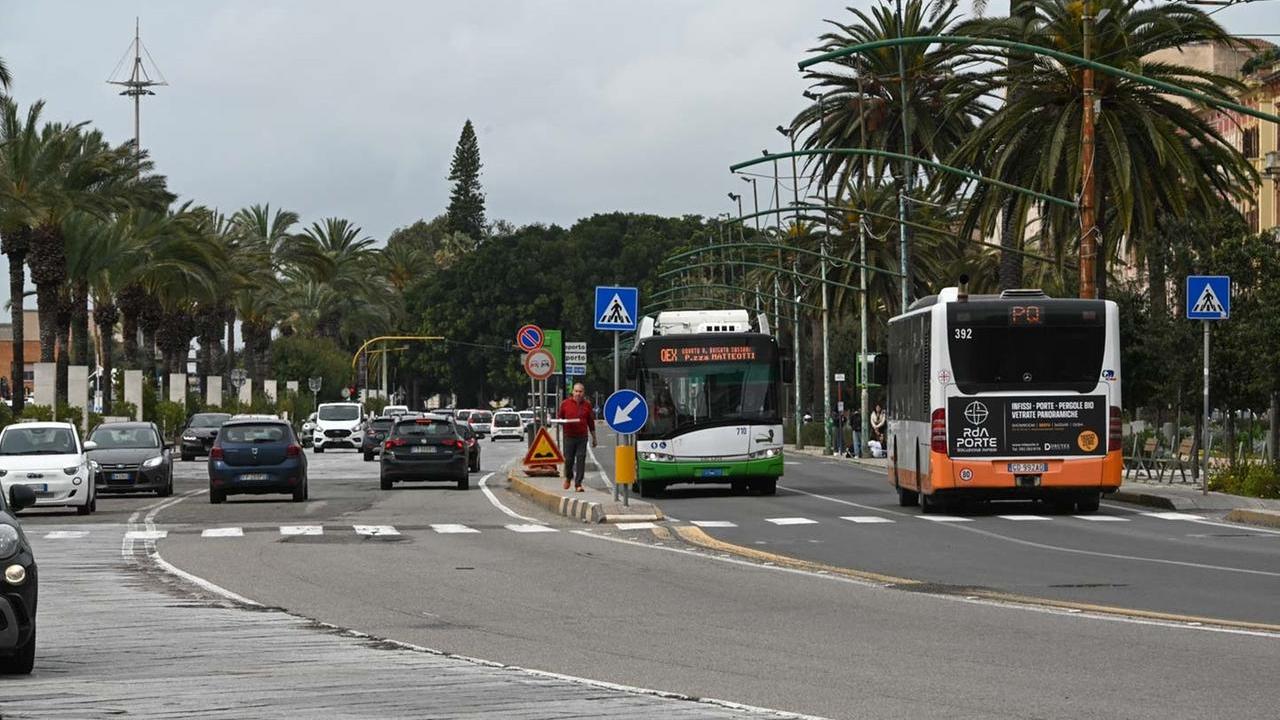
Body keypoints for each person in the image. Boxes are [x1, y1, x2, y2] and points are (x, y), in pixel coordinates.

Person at [558, 382, 597, 492]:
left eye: (580, 391)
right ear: (572, 392)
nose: (578, 394)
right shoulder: (565, 403)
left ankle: (578, 484)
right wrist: (562, 422)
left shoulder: (587, 405)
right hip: (569, 436)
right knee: (568, 460)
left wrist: (594, 437)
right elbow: (559, 417)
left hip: (582, 437)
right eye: (576, 391)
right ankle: (568, 477)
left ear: (583, 393)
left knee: (581, 459)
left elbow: (591, 422)